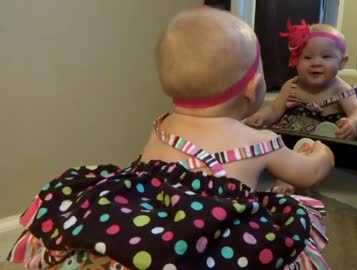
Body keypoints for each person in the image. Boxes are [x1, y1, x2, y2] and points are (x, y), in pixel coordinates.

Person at [7, 8, 334, 270]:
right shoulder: (261, 142)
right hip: (211, 239)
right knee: (284, 229)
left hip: (145, 224)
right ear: (253, 88)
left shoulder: (162, 125)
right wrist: (322, 154)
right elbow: (308, 173)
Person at [245, 20, 357, 195]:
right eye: (307, 57)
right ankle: (283, 168)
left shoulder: (341, 89)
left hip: (326, 136)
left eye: (326, 57)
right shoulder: (292, 85)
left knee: (311, 152)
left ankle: (288, 178)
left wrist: (352, 123)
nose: (316, 63)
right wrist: (262, 116)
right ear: (295, 60)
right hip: (295, 131)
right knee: (272, 141)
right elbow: (275, 109)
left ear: (342, 62)